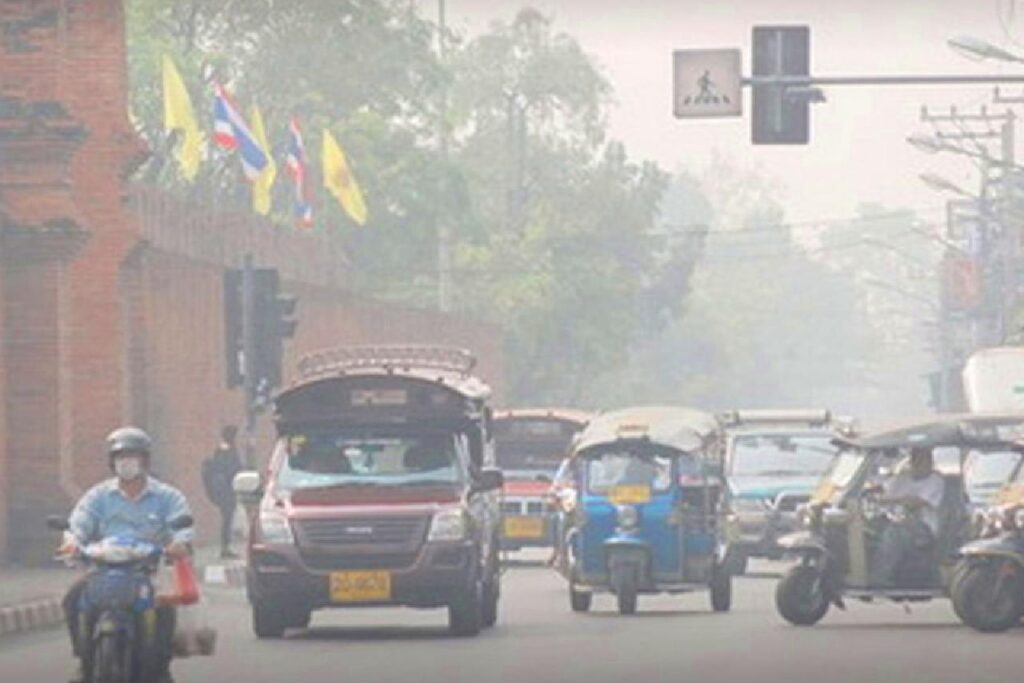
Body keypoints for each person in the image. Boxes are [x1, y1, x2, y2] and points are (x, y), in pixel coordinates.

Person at [59, 427, 193, 683]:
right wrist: (71, 543)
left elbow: (182, 528)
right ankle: (84, 659)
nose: (127, 462)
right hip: (101, 573)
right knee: (72, 597)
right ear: (112, 462)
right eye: (121, 457)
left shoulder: (167, 497)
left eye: (133, 456)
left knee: (165, 609)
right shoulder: (97, 497)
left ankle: (160, 669)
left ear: (145, 461)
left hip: (147, 574)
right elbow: (78, 524)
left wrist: (179, 544)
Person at [868, 446, 946, 587]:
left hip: (923, 527)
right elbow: (885, 493)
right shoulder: (902, 478)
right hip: (895, 519)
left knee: (894, 534)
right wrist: (872, 492)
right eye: (916, 459)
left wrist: (888, 500)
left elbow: (915, 502)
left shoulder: (935, 481)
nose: (920, 463)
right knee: (869, 527)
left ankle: (879, 578)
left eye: (924, 460)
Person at [202, 425, 242, 559]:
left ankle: (226, 546)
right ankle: (225, 548)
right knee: (227, 518)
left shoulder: (225, 448)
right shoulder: (226, 449)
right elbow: (228, 468)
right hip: (226, 490)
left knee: (228, 518)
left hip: (228, 488)